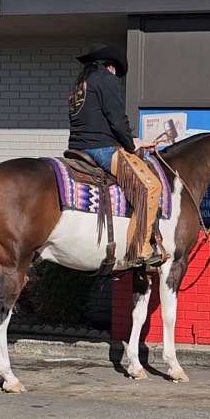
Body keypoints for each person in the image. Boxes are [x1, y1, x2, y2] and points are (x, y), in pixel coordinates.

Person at [68, 43, 164, 267]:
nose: (117, 77)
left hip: (77, 148)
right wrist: (131, 145)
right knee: (151, 187)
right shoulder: (106, 79)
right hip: (101, 149)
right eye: (117, 73)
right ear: (111, 66)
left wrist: (135, 140)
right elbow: (117, 119)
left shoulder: (80, 84)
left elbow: (96, 121)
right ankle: (140, 248)